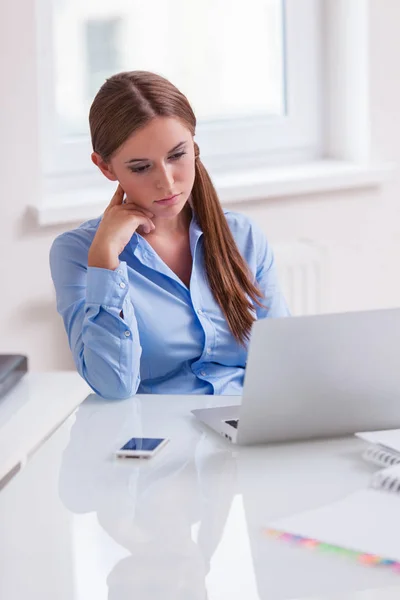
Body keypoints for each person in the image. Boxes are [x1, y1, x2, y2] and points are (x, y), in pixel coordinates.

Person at [50, 70, 290, 400]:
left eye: (177, 155)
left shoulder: (243, 236)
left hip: (247, 425)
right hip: (157, 438)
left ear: (193, 145)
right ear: (106, 168)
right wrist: (105, 260)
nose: (167, 181)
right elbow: (113, 386)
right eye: (141, 167)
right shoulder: (78, 253)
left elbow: (283, 361)